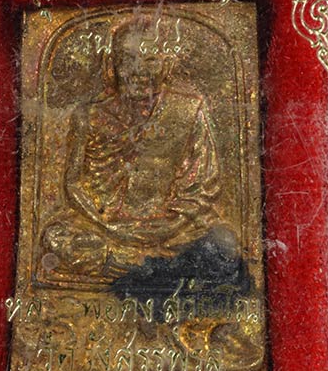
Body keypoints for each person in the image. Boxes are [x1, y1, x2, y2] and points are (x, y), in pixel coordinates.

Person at [39, 16, 222, 281]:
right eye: (128, 60)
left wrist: (170, 226)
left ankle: (129, 264)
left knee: (221, 243)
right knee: (55, 237)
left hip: (169, 227)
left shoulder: (189, 110)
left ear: (167, 64)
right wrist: (108, 225)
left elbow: (203, 185)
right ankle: (151, 267)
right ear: (111, 65)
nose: (139, 71)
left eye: (150, 60)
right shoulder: (89, 115)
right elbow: (73, 184)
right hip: (103, 225)